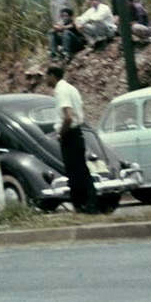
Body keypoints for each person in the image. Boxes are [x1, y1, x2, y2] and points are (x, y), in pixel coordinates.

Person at [45, 65, 99, 214]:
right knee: (82, 170)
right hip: (77, 133)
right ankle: (90, 203)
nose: (45, 79)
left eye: (46, 76)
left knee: (74, 172)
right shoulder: (71, 88)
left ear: (52, 76)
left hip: (70, 134)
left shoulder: (61, 91)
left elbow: (68, 116)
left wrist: (61, 133)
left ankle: (82, 204)